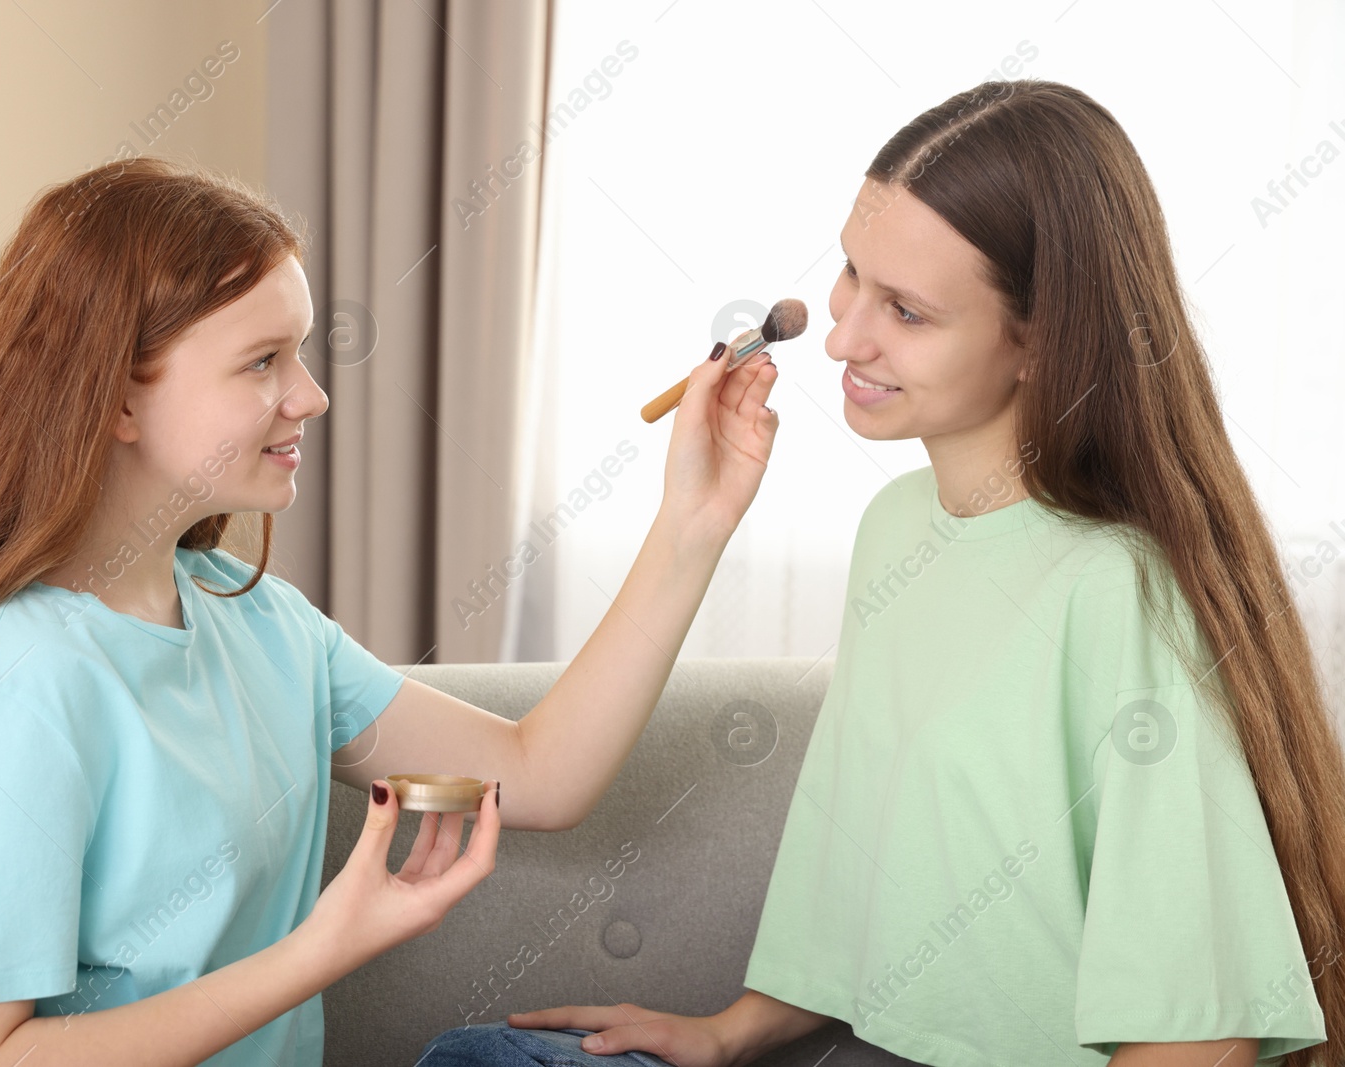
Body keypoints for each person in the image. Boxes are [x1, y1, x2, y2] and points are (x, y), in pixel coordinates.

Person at [0, 156, 782, 1066]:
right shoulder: (10, 681)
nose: (310, 396)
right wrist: (321, 949)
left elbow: (537, 774)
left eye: (297, 355)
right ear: (118, 401)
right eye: (263, 361)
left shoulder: (250, 617)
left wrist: (691, 522)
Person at [423, 78, 1345, 1067]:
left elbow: (1199, 1035)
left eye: (906, 310)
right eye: (850, 275)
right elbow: (857, 842)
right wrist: (729, 1030)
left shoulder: (1115, 590)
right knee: (481, 1056)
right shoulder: (896, 525)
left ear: (1040, 341)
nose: (843, 335)